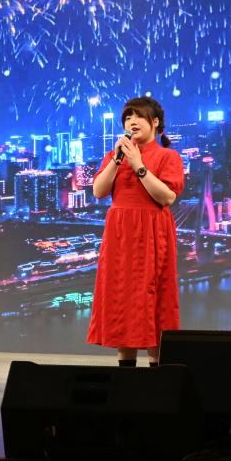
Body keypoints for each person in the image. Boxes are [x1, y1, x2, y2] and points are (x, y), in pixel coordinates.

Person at [87, 96, 184, 366]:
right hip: (120, 234)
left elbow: (167, 197)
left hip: (152, 231)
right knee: (122, 296)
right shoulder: (114, 156)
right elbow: (99, 191)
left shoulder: (168, 156)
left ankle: (157, 372)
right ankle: (126, 375)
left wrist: (138, 164)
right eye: (128, 117)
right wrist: (118, 160)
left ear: (155, 122)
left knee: (154, 298)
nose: (132, 121)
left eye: (139, 116)